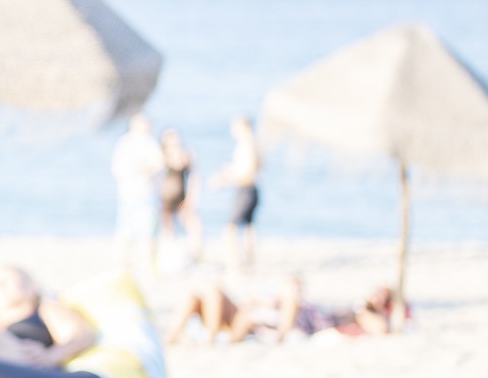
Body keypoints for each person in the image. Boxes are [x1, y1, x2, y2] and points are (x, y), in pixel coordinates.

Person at [168, 276, 407, 345]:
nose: (374, 294)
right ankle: (170, 340)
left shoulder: (363, 314)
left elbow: (382, 329)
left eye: (381, 295)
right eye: (376, 289)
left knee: (287, 292)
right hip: (256, 312)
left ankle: (211, 340)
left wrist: (371, 311)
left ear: (385, 304)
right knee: (205, 291)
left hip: (281, 322)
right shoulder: (355, 305)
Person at [110, 113, 164, 278]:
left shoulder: (148, 142)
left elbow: (158, 165)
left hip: (144, 194)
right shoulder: (128, 143)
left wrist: (144, 171)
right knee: (127, 231)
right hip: (133, 194)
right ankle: (122, 266)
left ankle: (147, 266)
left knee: (146, 232)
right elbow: (117, 169)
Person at [211, 116, 262, 270]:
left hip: (245, 189)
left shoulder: (247, 145)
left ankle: (234, 264)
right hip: (251, 189)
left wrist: (225, 178)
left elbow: (247, 173)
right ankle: (249, 262)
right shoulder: (254, 145)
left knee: (229, 229)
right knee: (248, 227)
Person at [157, 128, 201, 265]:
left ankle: (195, 254)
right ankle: (168, 255)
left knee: (192, 224)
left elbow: (194, 177)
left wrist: (191, 197)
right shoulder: (162, 155)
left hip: (181, 194)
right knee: (168, 226)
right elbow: (157, 176)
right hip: (166, 195)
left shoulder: (185, 155)